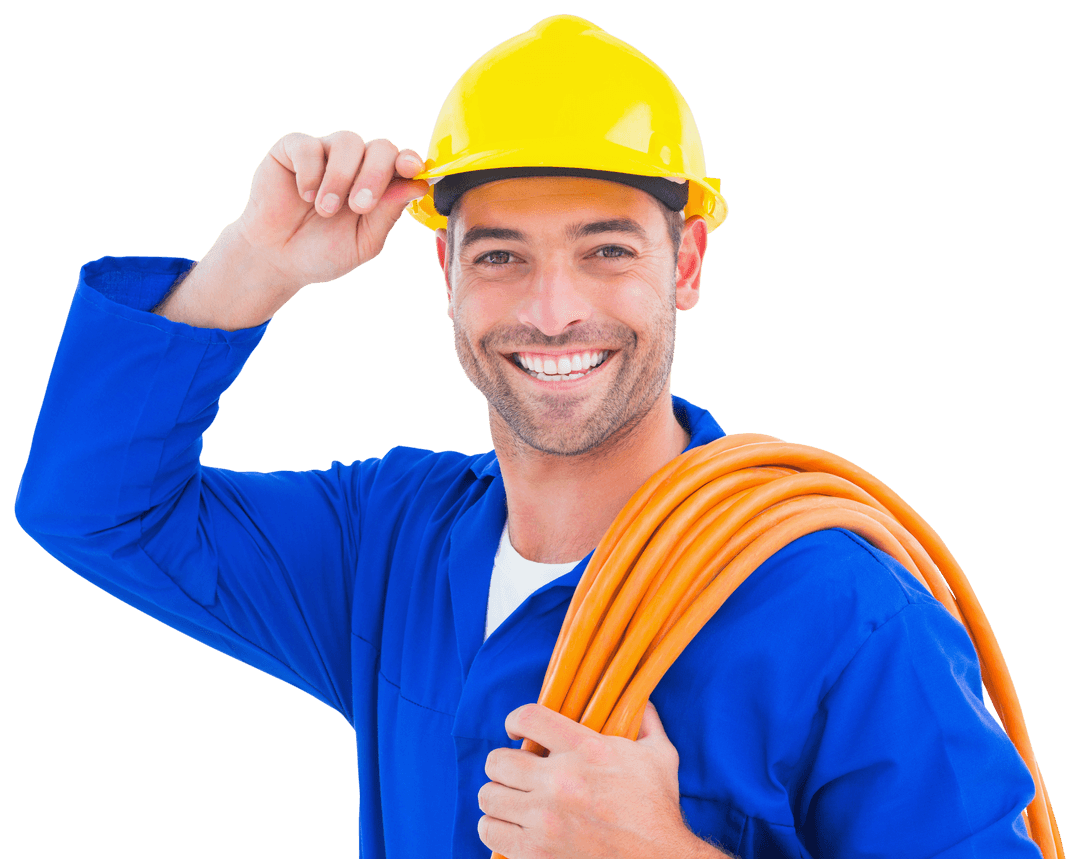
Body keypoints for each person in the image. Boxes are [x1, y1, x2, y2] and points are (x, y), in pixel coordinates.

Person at [14, 14, 1041, 859]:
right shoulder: (390, 541)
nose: (553, 311)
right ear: (447, 277)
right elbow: (94, 506)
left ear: (685, 265)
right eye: (501, 255)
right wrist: (257, 263)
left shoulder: (839, 610)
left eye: (605, 249)